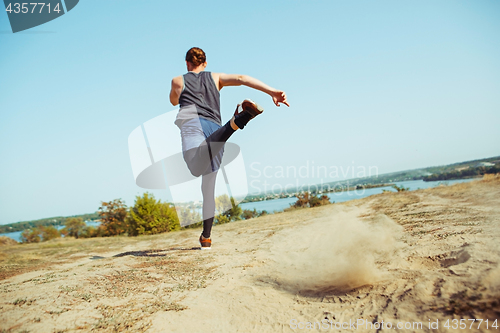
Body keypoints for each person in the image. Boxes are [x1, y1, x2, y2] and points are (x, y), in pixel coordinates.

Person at [169, 47, 289, 249]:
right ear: (205, 63)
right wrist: (272, 91)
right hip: (215, 130)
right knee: (209, 187)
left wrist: (177, 96)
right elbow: (242, 78)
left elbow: (174, 100)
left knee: (195, 168)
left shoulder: (178, 80)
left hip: (193, 125)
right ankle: (206, 238)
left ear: (187, 64)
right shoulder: (216, 77)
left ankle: (234, 122)